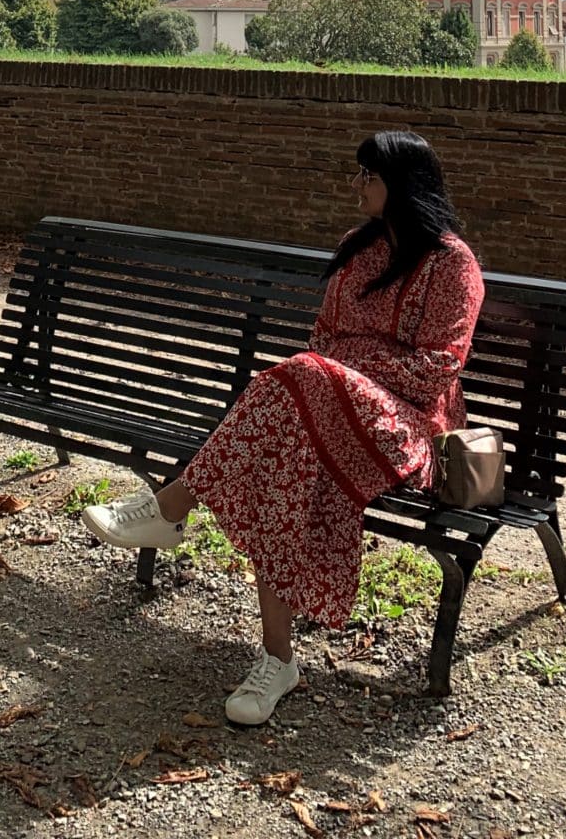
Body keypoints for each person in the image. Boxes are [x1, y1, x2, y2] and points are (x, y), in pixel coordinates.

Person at [81, 129, 485, 727]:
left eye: (367, 175)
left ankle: (168, 509)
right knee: (282, 460)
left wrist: (345, 371)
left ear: (400, 185)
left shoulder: (452, 264)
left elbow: (438, 368)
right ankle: (276, 661)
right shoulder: (357, 247)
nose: (357, 185)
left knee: (299, 377)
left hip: (408, 426)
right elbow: (323, 337)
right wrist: (334, 374)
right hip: (326, 403)